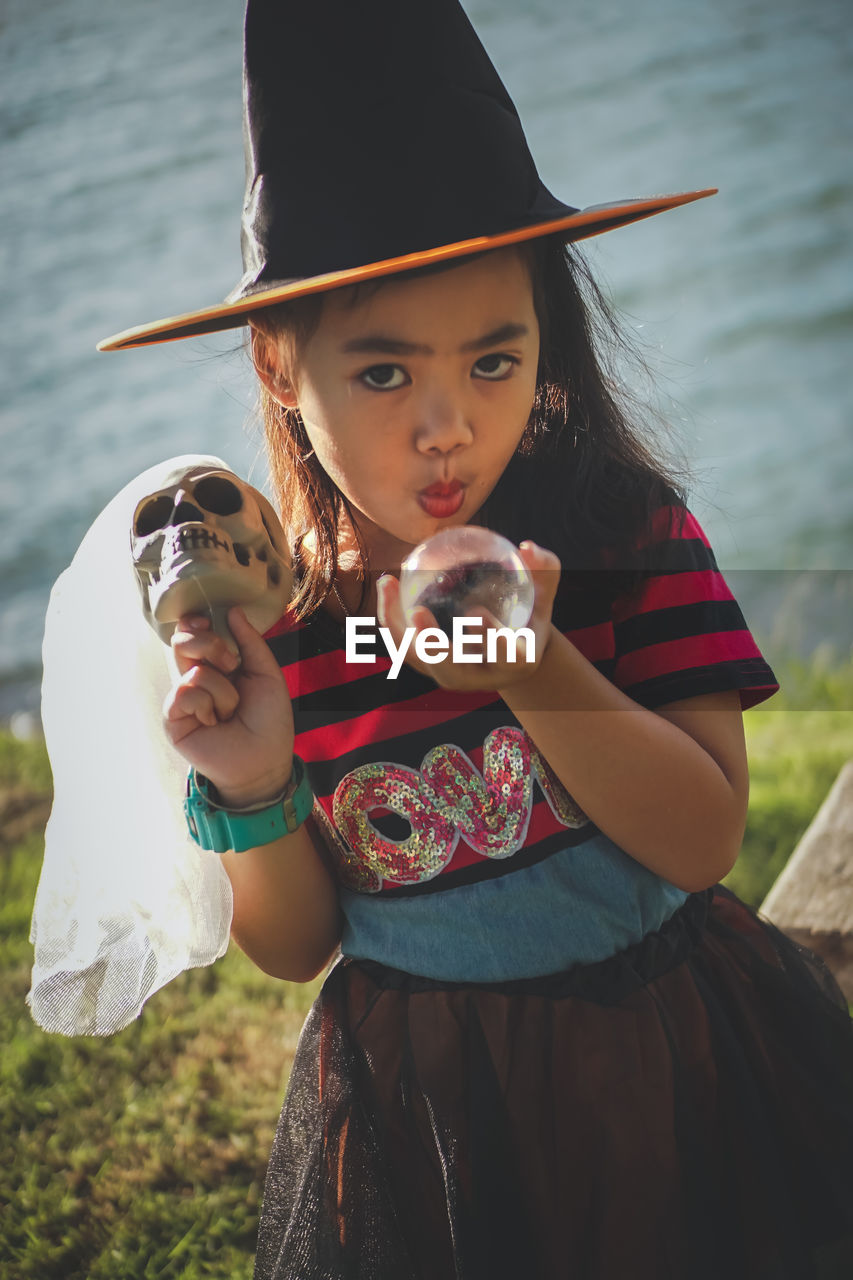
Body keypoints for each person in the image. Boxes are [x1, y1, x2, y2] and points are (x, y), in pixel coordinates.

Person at [38, 2, 853, 1277]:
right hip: (437, 1121)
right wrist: (253, 780)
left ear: (547, 332)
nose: (446, 426)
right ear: (276, 366)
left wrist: (536, 667)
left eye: (494, 358)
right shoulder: (288, 631)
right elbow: (300, 943)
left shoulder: (624, 536)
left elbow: (699, 841)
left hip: (672, 1060)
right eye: (381, 374)